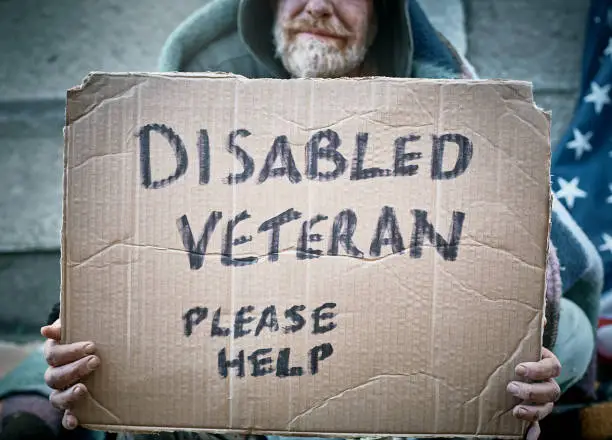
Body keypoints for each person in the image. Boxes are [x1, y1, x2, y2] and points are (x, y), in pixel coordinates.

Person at [0, 1, 601, 440]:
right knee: (72, 343)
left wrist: (527, 364)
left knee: (568, 326)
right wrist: (66, 360)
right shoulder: (205, 116)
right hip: (250, 359)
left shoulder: (443, 114)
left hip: (385, 381)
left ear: (382, 14)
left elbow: (549, 275)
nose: (316, 6)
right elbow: (124, 283)